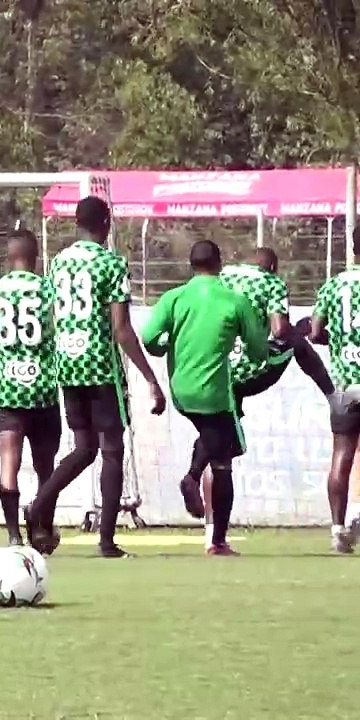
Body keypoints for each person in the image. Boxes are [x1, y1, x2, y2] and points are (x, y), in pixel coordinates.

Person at [27, 196, 166, 558]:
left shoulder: (58, 263)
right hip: (100, 364)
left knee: (84, 448)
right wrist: (150, 377)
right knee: (112, 449)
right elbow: (121, 329)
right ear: (105, 223)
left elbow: (54, 315)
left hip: (68, 363)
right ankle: (106, 541)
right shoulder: (112, 263)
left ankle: (39, 503)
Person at [174, 248, 341, 518]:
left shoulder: (223, 275)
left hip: (213, 366)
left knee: (220, 437)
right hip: (249, 368)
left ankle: (207, 520)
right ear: (273, 266)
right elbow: (278, 330)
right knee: (298, 333)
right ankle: (332, 394)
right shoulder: (272, 283)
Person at [142, 240, 266, 556]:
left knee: (218, 447)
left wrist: (168, 346)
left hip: (181, 389)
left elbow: (149, 339)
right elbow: (257, 350)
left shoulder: (174, 298)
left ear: (191, 265)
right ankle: (193, 479)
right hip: (214, 390)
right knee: (224, 447)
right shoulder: (235, 301)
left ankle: (216, 538)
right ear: (219, 263)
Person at [0, 230, 60, 547]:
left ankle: (13, 536)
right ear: (36, 258)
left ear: (8, 258)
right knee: (47, 467)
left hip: (9, 391)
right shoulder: (48, 288)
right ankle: (42, 529)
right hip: (43, 387)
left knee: (9, 463)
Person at [309, 229, 360, 553]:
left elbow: (314, 331)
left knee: (341, 456)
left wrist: (340, 342)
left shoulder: (334, 284)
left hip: (344, 386)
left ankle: (337, 528)